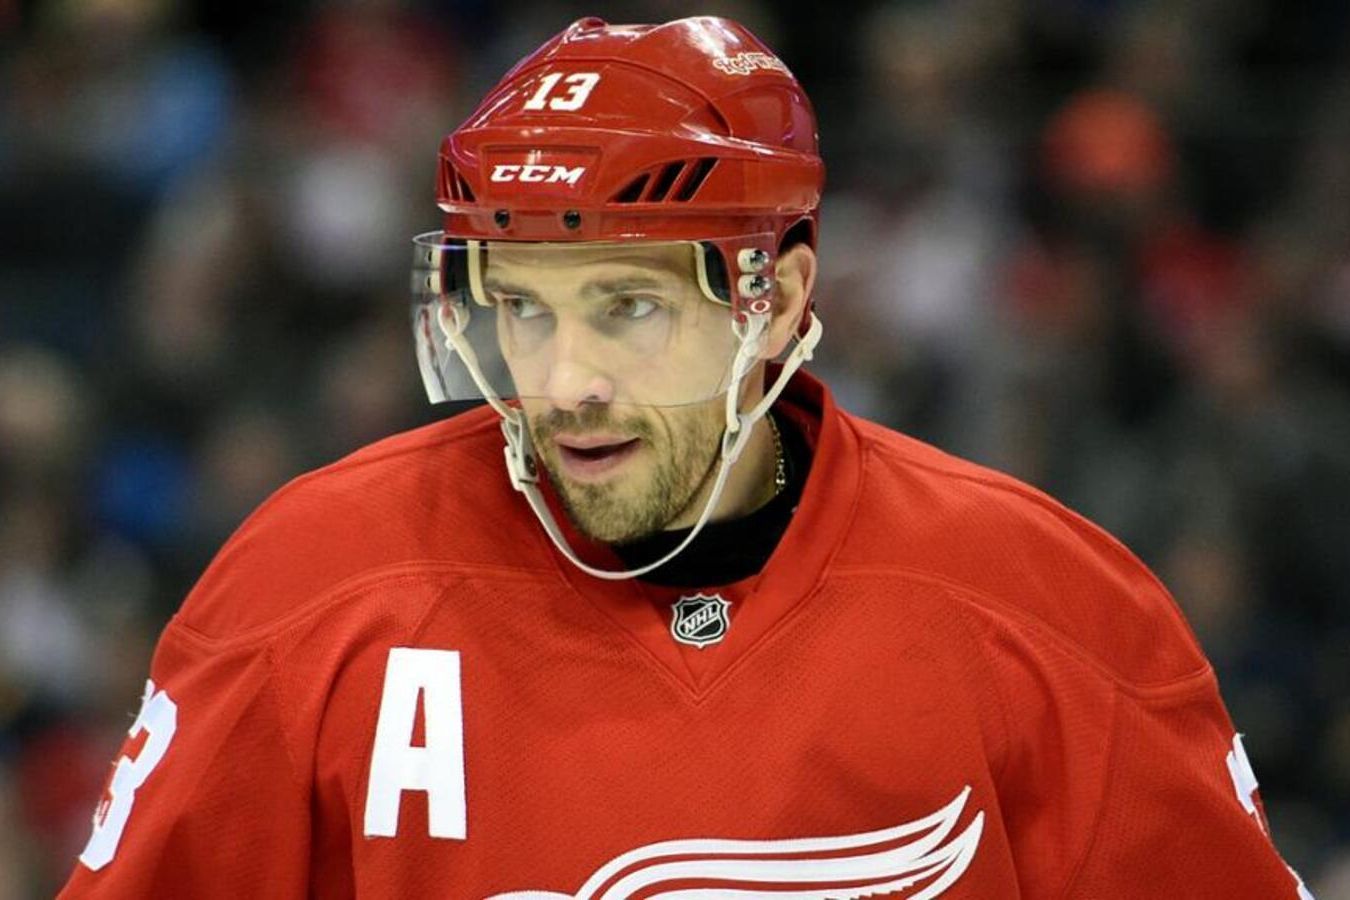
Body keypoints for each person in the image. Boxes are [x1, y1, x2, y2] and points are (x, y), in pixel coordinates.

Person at [61, 16, 1312, 899]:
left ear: (778, 300)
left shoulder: (1048, 609)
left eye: (629, 307)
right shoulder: (308, 587)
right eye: (525, 309)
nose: (566, 381)